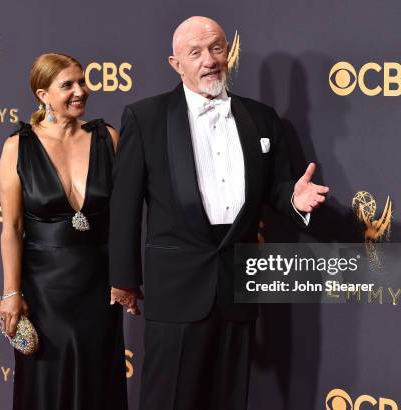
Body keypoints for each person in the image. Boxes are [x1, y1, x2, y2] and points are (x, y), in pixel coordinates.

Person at [108, 17, 329, 410]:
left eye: (216, 48)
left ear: (229, 51)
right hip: (175, 291)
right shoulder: (146, 118)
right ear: (176, 64)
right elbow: (124, 206)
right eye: (195, 53)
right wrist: (124, 279)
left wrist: (294, 201)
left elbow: (276, 191)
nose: (209, 60)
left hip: (236, 287)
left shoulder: (261, 117)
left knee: (228, 398)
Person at [0, 53, 127, 410]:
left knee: (98, 379)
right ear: (43, 94)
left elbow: (125, 217)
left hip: (99, 284)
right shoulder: (18, 147)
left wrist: (125, 275)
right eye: (67, 85)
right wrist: (11, 292)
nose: (80, 91)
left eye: (83, 82)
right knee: (48, 382)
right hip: (44, 289)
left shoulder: (107, 138)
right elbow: (11, 226)